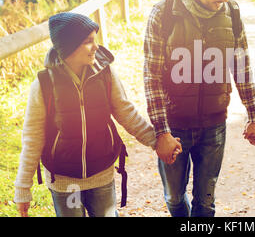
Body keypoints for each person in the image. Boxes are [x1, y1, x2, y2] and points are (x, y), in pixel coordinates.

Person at [14, 12, 181, 217]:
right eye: (88, 41)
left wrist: (157, 141)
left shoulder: (105, 74)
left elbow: (126, 112)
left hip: (101, 174)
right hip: (66, 182)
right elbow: (32, 137)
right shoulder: (44, 84)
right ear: (69, 47)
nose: (96, 47)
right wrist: (23, 188)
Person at [144, 0, 255, 217]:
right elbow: (151, 78)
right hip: (175, 126)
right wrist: (162, 131)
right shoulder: (163, 14)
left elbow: (241, 66)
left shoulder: (231, 13)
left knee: (205, 204)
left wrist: (254, 115)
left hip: (214, 125)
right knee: (174, 198)